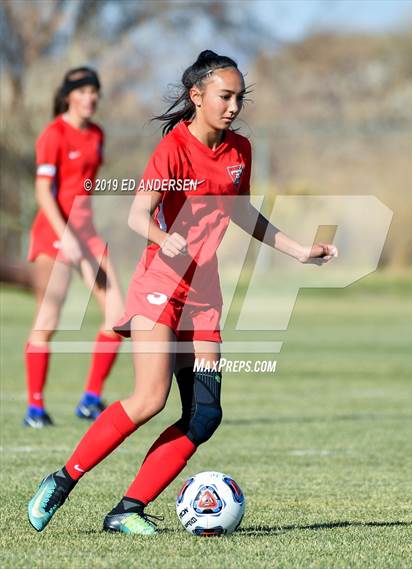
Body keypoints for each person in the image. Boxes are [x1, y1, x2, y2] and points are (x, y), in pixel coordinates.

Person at [27, 51, 337, 533]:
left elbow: (242, 212)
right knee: (150, 399)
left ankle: (126, 510)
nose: (234, 106)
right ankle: (62, 481)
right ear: (197, 96)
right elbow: (137, 215)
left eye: (239, 98)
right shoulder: (173, 148)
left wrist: (297, 250)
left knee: (204, 414)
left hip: (204, 295)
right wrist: (161, 236)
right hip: (160, 287)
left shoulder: (239, 151)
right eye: (225, 96)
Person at [24, 67, 124, 428]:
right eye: (82, 91)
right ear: (68, 95)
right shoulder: (53, 134)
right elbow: (42, 192)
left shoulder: (97, 133)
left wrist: (82, 235)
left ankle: (90, 399)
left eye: (94, 91)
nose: (90, 97)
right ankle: (35, 408)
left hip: (88, 234)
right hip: (54, 233)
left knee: (118, 317)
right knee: (47, 320)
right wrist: (63, 235)